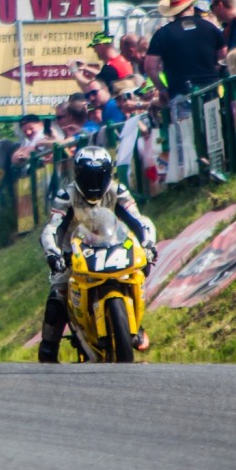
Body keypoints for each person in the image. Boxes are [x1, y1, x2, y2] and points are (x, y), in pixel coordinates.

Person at [37, 146, 155, 363]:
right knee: (57, 296)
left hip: (113, 247)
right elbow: (52, 228)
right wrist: (53, 254)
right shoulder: (66, 196)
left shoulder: (118, 192)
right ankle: (48, 350)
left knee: (139, 271)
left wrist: (149, 244)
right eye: (87, 177)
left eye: (98, 176)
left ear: (108, 174)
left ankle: (134, 325)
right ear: (77, 175)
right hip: (73, 256)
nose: (93, 183)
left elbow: (139, 221)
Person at [145, 0, 227, 104]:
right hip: (211, 90)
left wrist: (162, 90)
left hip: (180, 94)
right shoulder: (210, 28)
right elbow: (223, 55)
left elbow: (150, 67)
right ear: (191, 7)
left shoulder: (162, 34)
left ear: (173, 11)